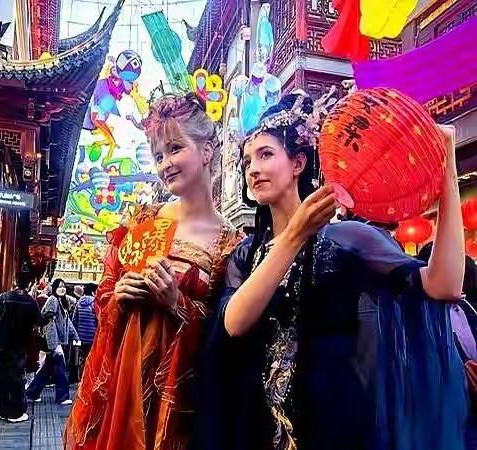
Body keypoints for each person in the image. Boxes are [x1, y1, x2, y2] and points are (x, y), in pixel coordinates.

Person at [195, 94, 467, 450]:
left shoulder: (347, 239)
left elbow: (444, 285)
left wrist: (448, 170)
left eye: (265, 155)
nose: (253, 169)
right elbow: (233, 323)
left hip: (334, 426)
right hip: (257, 428)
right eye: (247, 161)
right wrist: (294, 236)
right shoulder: (246, 255)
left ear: (298, 163)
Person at [64, 92, 242, 450]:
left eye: (175, 149)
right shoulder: (142, 222)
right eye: (158, 155)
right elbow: (104, 297)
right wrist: (118, 295)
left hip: (181, 402)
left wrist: (178, 304)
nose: (165, 164)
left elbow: (227, 332)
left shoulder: (230, 244)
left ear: (207, 151)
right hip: (123, 387)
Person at [0, 270, 51, 422]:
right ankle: (15, 412)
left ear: (15, 282)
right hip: (19, 343)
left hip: (1, 342)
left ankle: (2, 410)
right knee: (17, 378)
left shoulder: (3, 297)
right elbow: (40, 320)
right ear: (30, 284)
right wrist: (49, 316)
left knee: (2, 377)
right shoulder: (30, 301)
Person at [26, 278, 79, 405]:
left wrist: (75, 335)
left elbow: (67, 322)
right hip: (54, 341)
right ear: (54, 288)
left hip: (57, 341)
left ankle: (32, 392)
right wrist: (54, 344)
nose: (62, 288)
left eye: (64, 286)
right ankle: (62, 396)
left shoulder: (62, 301)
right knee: (61, 369)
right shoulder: (53, 300)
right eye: (59, 286)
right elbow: (49, 324)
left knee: (47, 369)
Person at [73, 283, 97, 380]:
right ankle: (88, 379)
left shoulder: (79, 303)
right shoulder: (95, 303)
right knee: (91, 358)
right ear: (93, 292)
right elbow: (98, 320)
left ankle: (81, 378)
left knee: (81, 358)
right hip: (92, 338)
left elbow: (74, 319)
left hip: (80, 337)